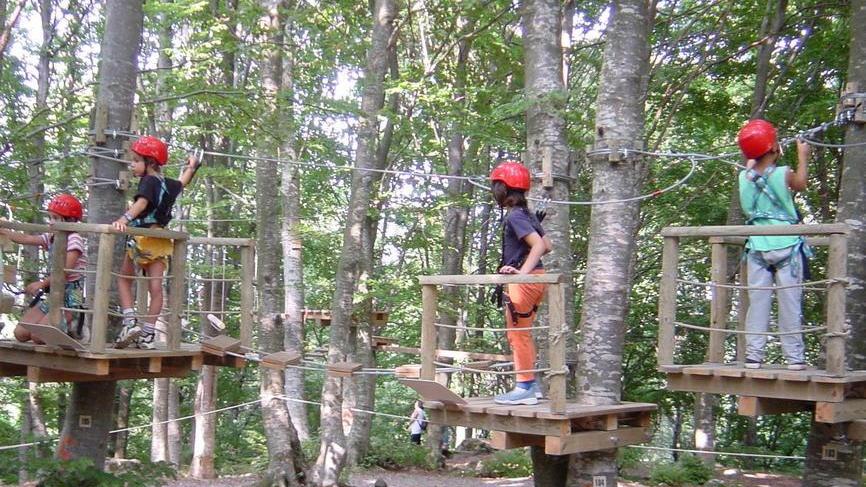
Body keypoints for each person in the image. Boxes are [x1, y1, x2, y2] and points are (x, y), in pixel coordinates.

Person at [113, 135, 199, 349]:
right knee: (156, 289)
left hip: (141, 238)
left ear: (149, 163)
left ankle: (130, 320)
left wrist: (124, 219)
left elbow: (141, 204)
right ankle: (148, 333)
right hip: (160, 240)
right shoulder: (167, 184)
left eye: (136, 160)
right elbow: (182, 183)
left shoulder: (148, 181)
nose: (132, 164)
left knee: (124, 279)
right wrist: (193, 167)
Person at [737, 119, 811, 371]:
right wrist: (803, 156)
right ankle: (795, 358)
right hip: (787, 245)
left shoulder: (744, 177)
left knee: (758, 303)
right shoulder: (783, 173)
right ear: (774, 148)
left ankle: (753, 357)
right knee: (790, 302)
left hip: (758, 246)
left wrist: (758, 151)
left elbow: (753, 166)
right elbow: (801, 183)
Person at [489, 160, 552, 405]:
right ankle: (531, 386)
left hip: (526, 282)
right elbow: (547, 246)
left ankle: (524, 386)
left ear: (503, 189)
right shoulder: (526, 214)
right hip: (536, 280)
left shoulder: (515, 216)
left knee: (518, 336)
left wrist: (520, 273)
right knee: (522, 334)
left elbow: (538, 246)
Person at [0, 194, 87, 342]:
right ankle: (60, 326)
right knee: (21, 333)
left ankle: (72, 325)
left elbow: (64, 272)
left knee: (39, 336)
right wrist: (5, 231)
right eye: (50, 218)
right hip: (53, 294)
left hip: (70, 296)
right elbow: (27, 239)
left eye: (56, 218)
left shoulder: (74, 240)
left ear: (70, 220)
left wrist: (42, 283)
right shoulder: (51, 236)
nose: (51, 222)